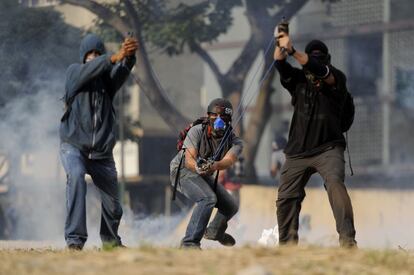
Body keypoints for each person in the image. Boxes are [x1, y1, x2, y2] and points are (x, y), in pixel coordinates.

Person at [273, 29, 357, 247]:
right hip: (297, 151)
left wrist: (292, 50)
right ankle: (287, 246)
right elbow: (280, 64)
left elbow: (321, 70)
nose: (315, 60)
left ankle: (348, 242)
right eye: (313, 55)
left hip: (329, 148)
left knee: (335, 185)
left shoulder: (337, 78)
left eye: (319, 56)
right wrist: (280, 42)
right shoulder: (298, 80)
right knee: (286, 198)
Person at [59, 33, 138, 250]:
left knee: (113, 205)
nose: (93, 57)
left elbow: (121, 71)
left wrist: (129, 56)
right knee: (76, 177)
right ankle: (75, 240)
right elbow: (94, 69)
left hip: (101, 153)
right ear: (83, 57)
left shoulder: (107, 82)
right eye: (89, 54)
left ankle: (111, 242)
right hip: (73, 146)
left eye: (97, 54)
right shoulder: (74, 72)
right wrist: (113, 57)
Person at [170, 98, 243, 249]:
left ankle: (214, 232)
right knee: (208, 198)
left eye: (223, 117)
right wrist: (197, 166)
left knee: (231, 206)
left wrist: (215, 165)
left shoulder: (235, 141)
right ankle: (189, 243)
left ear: (229, 120)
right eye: (215, 116)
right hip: (182, 170)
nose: (218, 120)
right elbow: (189, 158)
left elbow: (229, 160)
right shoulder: (197, 130)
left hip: (205, 172)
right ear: (208, 116)